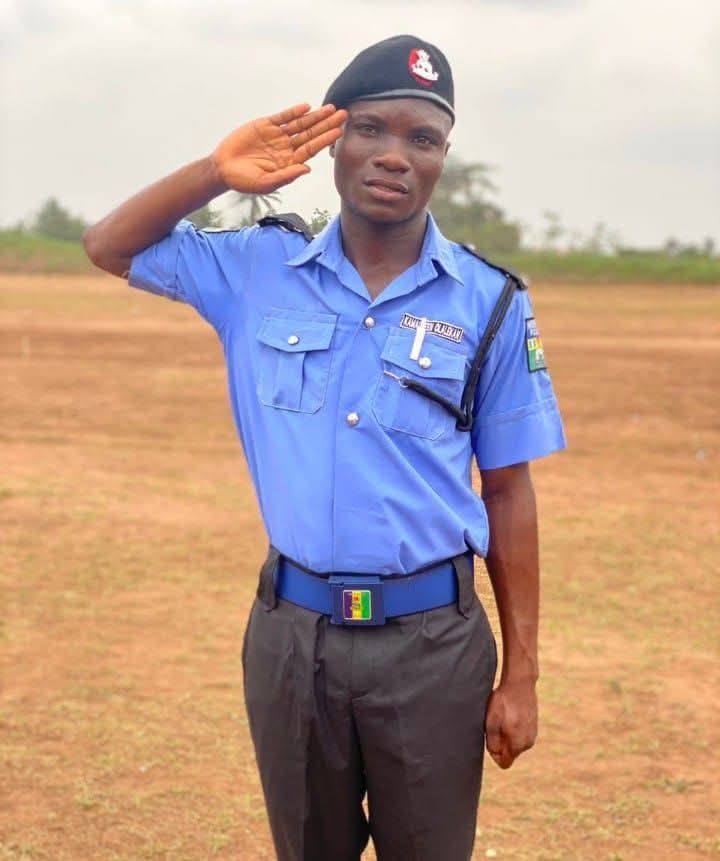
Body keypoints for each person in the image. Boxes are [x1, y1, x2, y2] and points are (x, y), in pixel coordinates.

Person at [84, 34, 565, 861]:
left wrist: (520, 676)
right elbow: (110, 247)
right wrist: (212, 171)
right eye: (372, 129)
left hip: (434, 649)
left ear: (444, 158)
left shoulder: (490, 302)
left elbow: (509, 491)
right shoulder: (257, 269)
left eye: (423, 139)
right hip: (292, 641)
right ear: (332, 138)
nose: (394, 156)